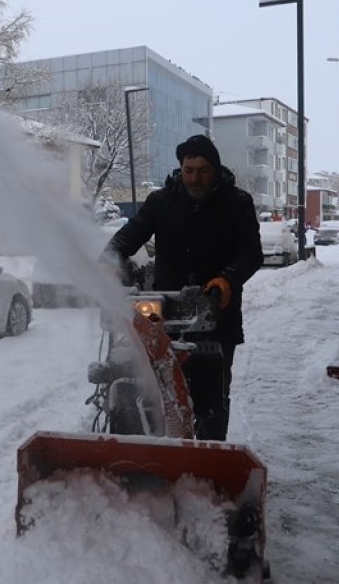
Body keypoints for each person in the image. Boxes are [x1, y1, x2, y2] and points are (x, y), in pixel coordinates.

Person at [102, 134, 264, 441]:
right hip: (162, 312)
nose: (195, 177)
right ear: (181, 169)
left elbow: (251, 254)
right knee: (149, 379)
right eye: (189, 170)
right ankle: (147, 443)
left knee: (211, 389)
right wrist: (108, 260)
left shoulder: (237, 204)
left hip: (215, 311)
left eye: (203, 170)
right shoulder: (161, 202)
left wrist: (226, 280)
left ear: (215, 170)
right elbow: (131, 234)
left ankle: (208, 454)